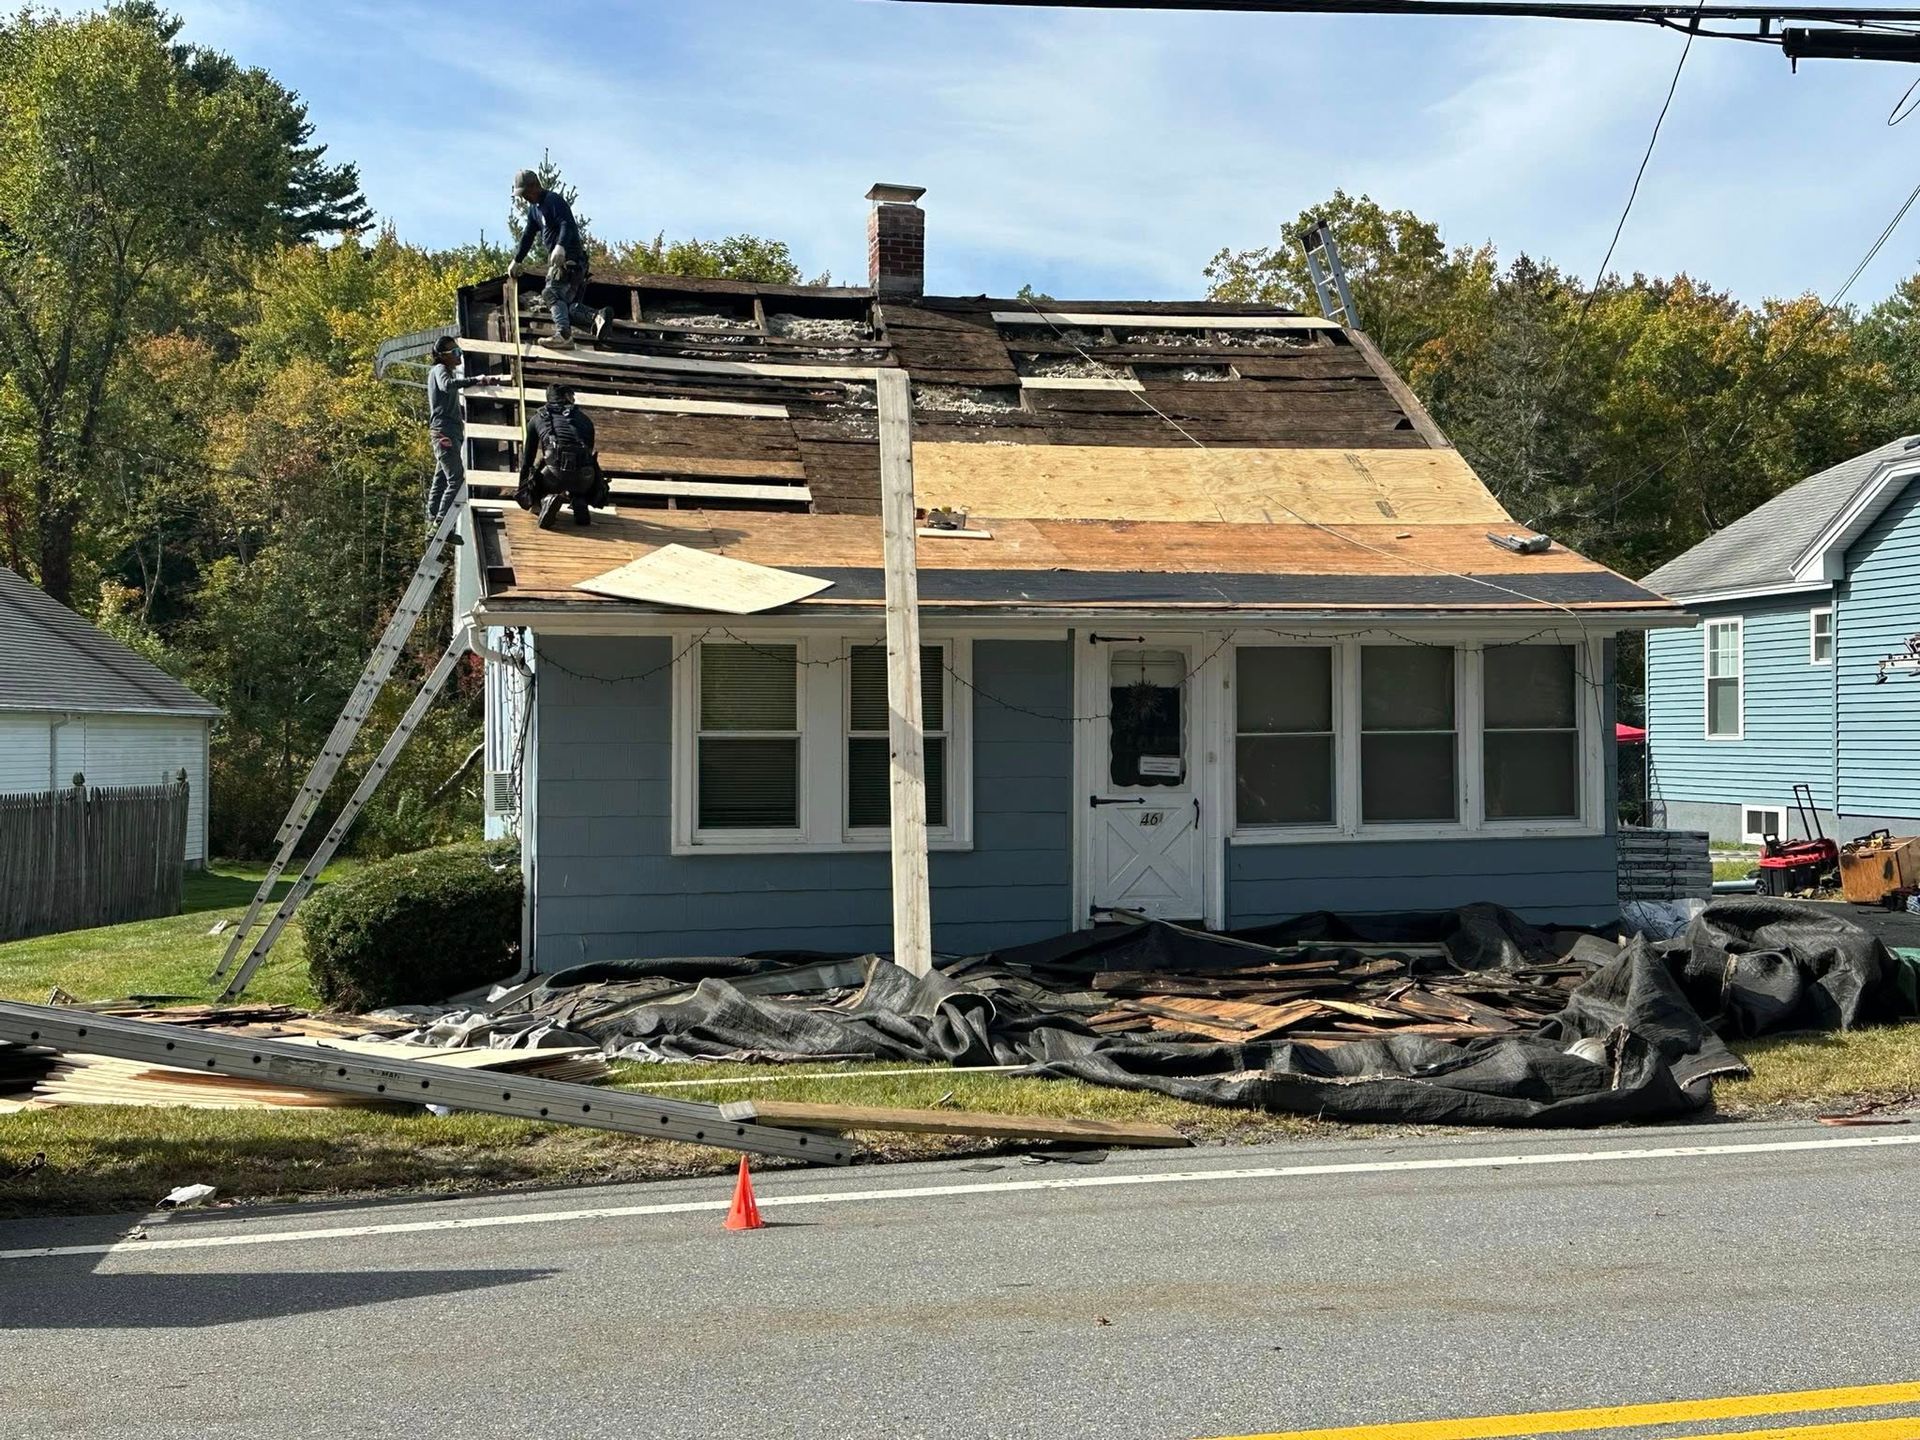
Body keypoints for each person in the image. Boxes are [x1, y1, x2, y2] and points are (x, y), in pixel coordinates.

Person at [508, 169, 612, 351]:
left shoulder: (552, 200)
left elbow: (567, 223)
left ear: (534, 186)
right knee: (566, 307)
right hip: (570, 262)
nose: (524, 198)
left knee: (551, 294)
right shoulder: (534, 210)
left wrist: (561, 246)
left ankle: (564, 336)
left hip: (569, 259)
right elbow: (528, 236)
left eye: (525, 193)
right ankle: (597, 317)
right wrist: (517, 260)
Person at [516, 384, 610, 529]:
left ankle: (545, 500)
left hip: (553, 477)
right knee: (583, 465)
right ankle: (579, 498)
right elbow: (589, 454)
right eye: (572, 396)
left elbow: (527, 459)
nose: (574, 399)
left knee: (539, 465)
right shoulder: (585, 420)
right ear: (566, 397)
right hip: (585, 479)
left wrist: (524, 491)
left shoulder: (537, 419)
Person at [425, 335, 485, 531]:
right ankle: (441, 523)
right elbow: (446, 385)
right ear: (443, 356)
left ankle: (432, 518)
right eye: (455, 352)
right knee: (456, 479)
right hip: (445, 432)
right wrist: (474, 381)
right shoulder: (440, 370)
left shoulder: (443, 371)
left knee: (441, 478)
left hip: (449, 431)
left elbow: (449, 400)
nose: (459, 355)